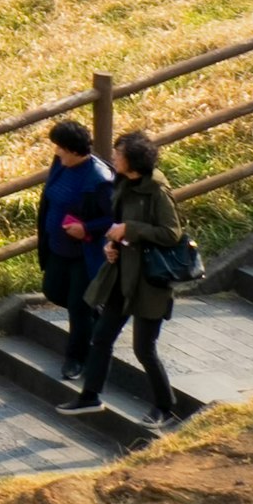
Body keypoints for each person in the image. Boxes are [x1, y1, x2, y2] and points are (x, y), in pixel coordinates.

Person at [71, 133, 188, 415]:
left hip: (149, 282)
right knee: (101, 337)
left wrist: (130, 230)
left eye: (118, 153)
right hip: (121, 276)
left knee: (143, 349)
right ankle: (90, 396)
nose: (113, 156)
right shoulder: (123, 183)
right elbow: (120, 224)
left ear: (133, 161)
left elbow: (172, 233)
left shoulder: (157, 191)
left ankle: (164, 406)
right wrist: (113, 244)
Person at [37, 120, 116, 394]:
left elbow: (114, 218)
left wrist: (86, 228)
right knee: (53, 291)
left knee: (77, 307)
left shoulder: (99, 179)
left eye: (60, 148)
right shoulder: (61, 164)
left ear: (74, 150)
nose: (57, 152)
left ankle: (76, 359)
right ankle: (96, 317)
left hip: (84, 253)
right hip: (58, 247)